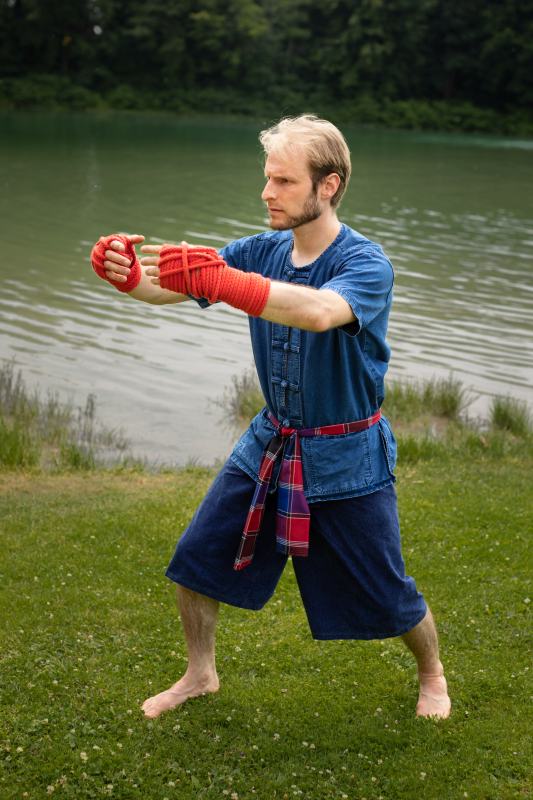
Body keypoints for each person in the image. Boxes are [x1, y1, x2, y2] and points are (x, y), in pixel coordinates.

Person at [91, 114, 451, 721]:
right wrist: (128, 278)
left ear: (328, 185)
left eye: (283, 181)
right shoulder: (257, 251)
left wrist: (230, 283)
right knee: (197, 559)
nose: (266, 193)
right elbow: (170, 289)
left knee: (386, 589)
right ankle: (200, 674)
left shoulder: (368, 265)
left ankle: (432, 673)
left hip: (346, 451)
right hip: (272, 436)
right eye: (267, 178)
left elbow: (315, 312)